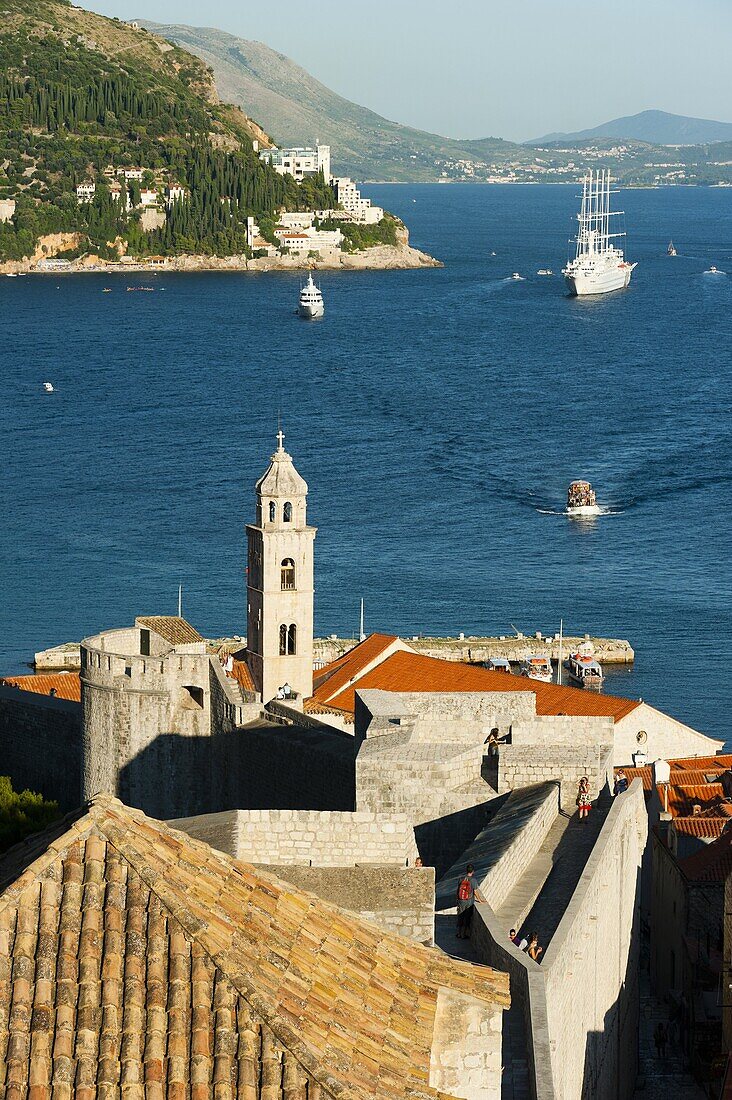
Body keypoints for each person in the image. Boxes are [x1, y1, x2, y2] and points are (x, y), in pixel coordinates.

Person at [455, 863, 486, 939]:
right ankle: (463, 934)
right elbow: (475, 892)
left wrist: (457, 900)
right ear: (473, 871)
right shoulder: (473, 880)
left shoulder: (461, 879)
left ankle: (458, 933)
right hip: (469, 902)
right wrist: (480, 901)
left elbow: (457, 890)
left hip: (461, 900)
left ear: (466, 870)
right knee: (467, 917)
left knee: (460, 917)